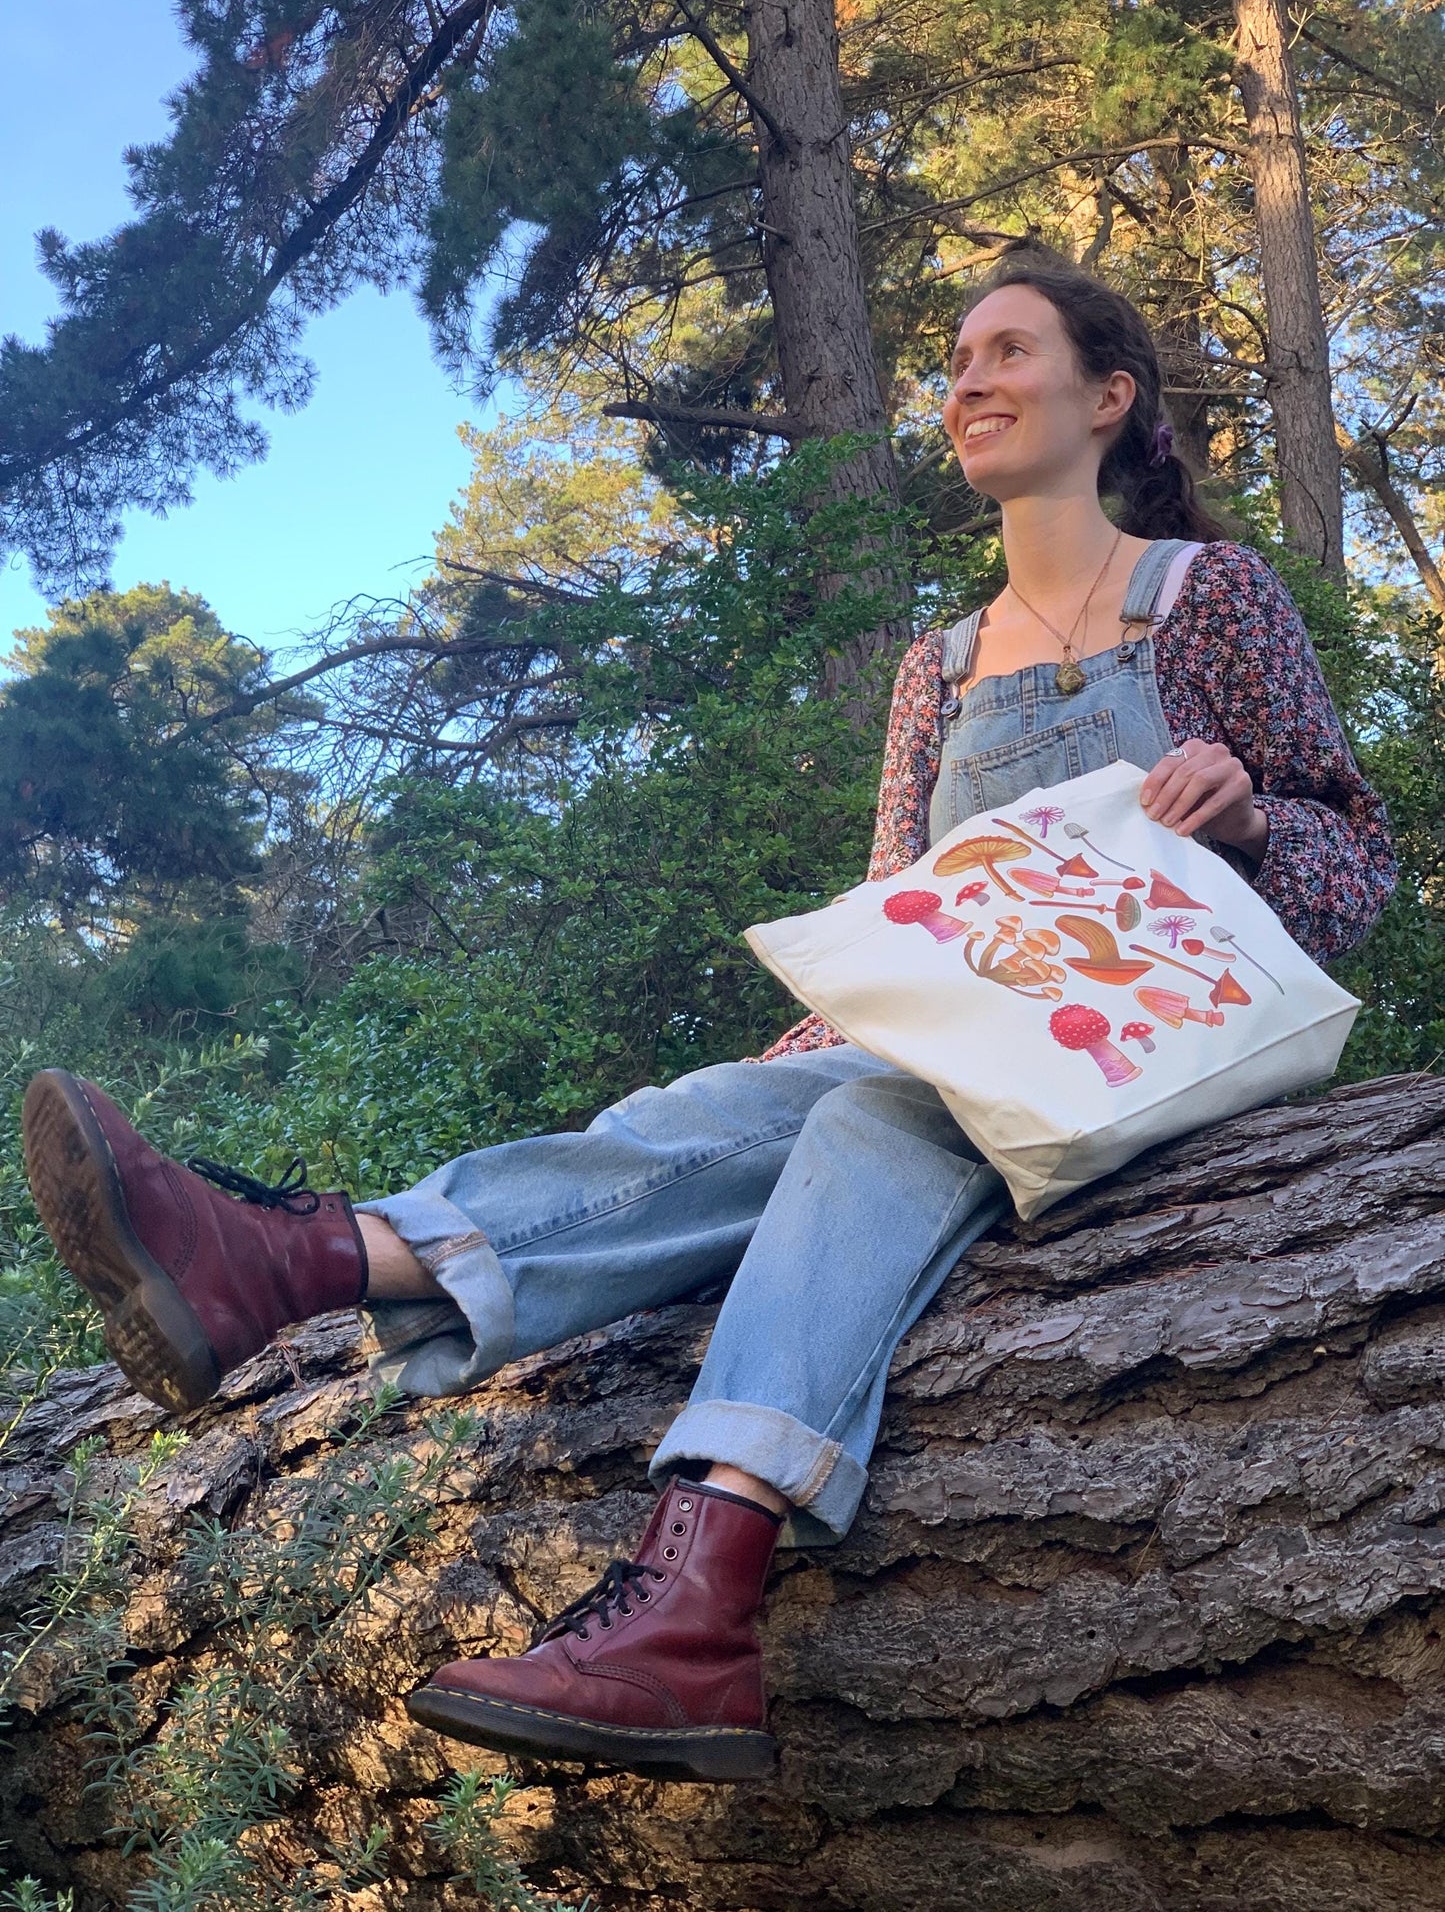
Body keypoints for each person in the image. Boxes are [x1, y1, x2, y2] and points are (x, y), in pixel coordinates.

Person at [21, 252, 1398, 1786]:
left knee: (882, 1110)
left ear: (1108, 396)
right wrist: (767, 1070)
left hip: (1147, 1058)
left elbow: (1357, 861)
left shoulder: (1207, 598)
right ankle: (305, 1266)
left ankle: (687, 1581)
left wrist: (1252, 826)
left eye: (1008, 351)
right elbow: (901, 923)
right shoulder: (933, 677)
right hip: (963, 1054)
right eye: (950, 360)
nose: (965, 382)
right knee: (762, 1099)